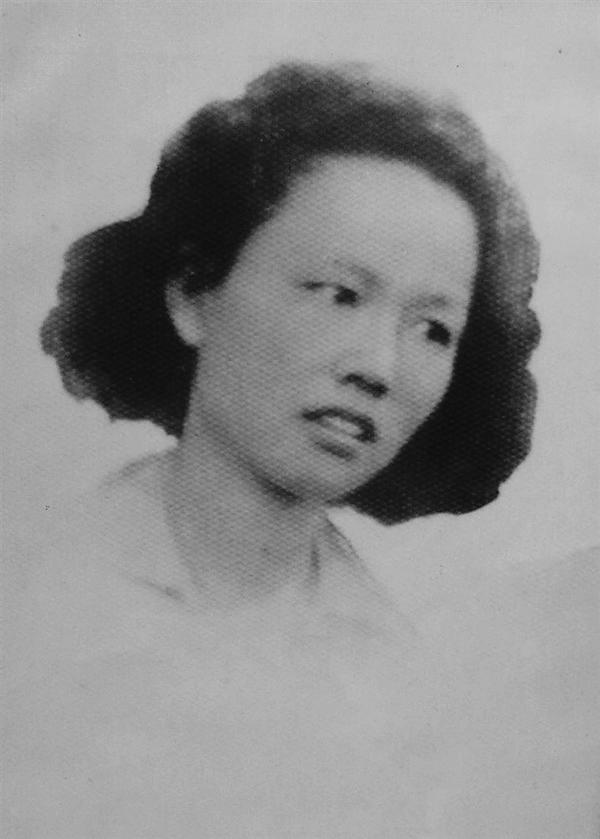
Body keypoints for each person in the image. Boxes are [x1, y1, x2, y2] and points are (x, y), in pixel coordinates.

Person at [5, 63, 596, 838]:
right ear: (194, 294)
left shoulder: (406, 679)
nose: (379, 366)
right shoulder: (34, 590)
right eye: (339, 294)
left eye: (433, 329)